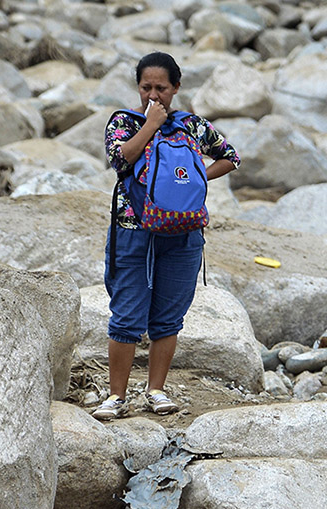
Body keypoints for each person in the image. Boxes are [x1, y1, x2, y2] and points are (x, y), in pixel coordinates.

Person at [93, 51, 241, 421]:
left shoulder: (192, 126)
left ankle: (156, 391)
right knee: (126, 314)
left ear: (177, 87)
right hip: (134, 231)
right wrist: (151, 124)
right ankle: (116, 396)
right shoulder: (123, 123)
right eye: (146, 87)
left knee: (169, 316)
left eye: (161, 87)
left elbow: (230, 157)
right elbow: (121, 159)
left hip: (183, 232)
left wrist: (192, 180)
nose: (153, 95)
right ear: (137, 88)